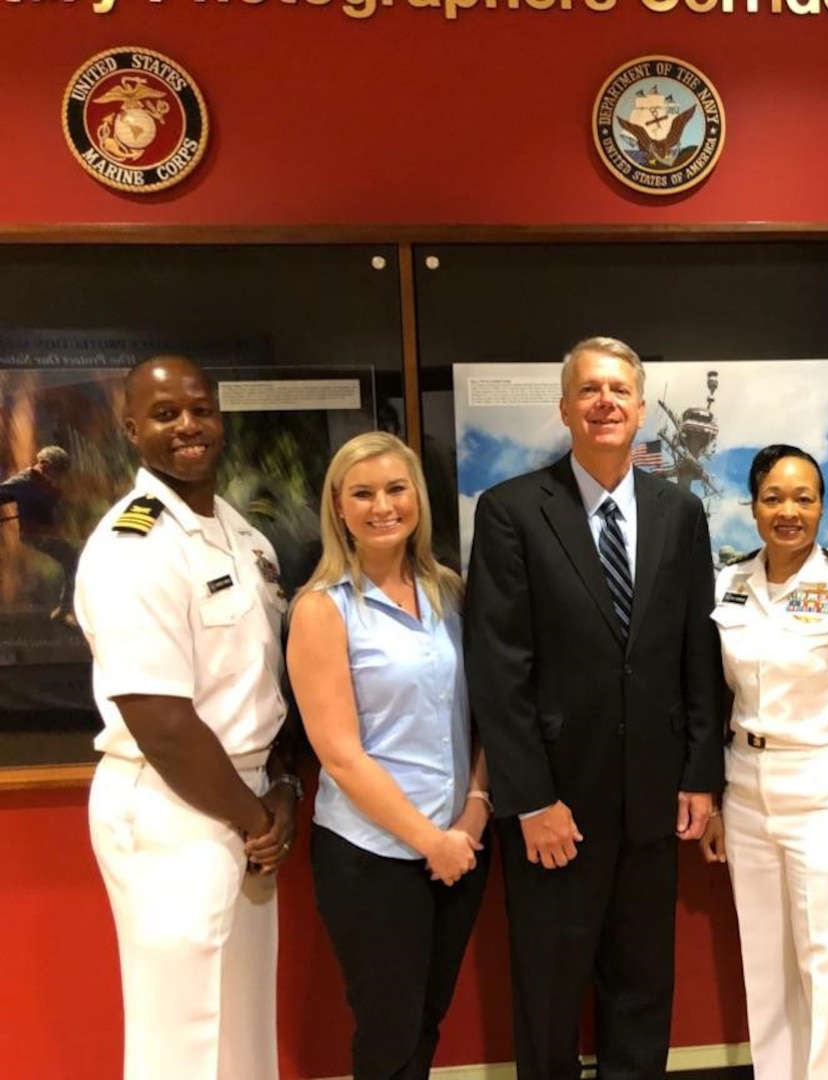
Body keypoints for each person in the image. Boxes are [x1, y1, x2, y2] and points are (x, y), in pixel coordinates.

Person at [465, 335, 724, 1080]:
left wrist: (701, 774)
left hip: (653, 798)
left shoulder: (680, 513)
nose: (605, 402)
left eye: (618, 390)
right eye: (589, 390)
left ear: (641, 409)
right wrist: (530, 797)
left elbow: (694, 654)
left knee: (642, 992)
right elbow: (499, 668)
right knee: (548, 995)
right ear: (565, 409)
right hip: (556, 806)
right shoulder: (512, 511)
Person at [74, 355, 299, 1080]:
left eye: (200, 410)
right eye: (165, 414)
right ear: (132, 427)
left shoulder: (242, 535)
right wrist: (256, 818)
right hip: (173, 802)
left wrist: (282, 791)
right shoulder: (133, 547)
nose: (188, 427)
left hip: (245, 797)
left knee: (240, 1026)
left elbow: (267, 685)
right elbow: (158, 717)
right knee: (180, 1036)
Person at [288, 431, 490, 1080]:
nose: (383, 506)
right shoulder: (322, 610)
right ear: (338, 508)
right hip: (373, 856)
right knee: (389, 1027)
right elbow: (340, 755)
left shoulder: (452, 594)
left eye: (397, 489)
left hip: (461, 843)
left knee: (427, 1017)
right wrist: (429, 841)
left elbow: (488, 713)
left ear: (418, 500)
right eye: (363, 493)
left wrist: (475, 814)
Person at [700, 444, 828, 1080]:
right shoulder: (727, 582)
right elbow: (712, 699)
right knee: (767, 971)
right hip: (746, 790)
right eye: (773, 498)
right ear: (753, 506)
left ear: (823, 506)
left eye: (804, 498)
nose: (789, 511)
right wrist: (712, 801)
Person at [0, 444, 79, 624]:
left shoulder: (44, 482)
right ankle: (65, 610)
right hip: (35, 535)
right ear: (44, 464)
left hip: (47, 533)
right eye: (57, 471)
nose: (58, 477)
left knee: (74, 558)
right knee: (73, 558)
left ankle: (65, 609)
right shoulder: (24, 481)